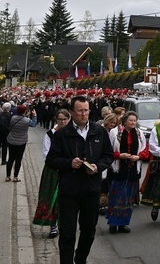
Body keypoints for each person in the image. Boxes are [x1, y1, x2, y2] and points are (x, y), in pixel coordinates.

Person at [46, 96, 114, 264]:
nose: (84, 114)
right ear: (72, 112)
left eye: (86, 110)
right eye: (80, 111)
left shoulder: (99, 131)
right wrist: (70, 163)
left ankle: (81, 259)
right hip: (69, 190)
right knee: (67, 233)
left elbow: (108, 156)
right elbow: (51, 160)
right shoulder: (62, 134)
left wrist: (98, 167)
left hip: (91, 190)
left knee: (88, 231)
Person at [106, 111, 149, 233]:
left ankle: (124, 223)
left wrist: (138, 156)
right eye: (130, 120)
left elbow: (145, 149)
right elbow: (108, 151)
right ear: (124, 121)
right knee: (117, 196)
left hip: (133, 169)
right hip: (118, 169)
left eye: (135, 120)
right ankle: (113, 223)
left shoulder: (139, 133)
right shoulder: (115, 133)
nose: (133, 123)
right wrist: (120, 155)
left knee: (129, 197)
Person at [32, 108, 71, 238]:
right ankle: (53, 224)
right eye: (60, 119)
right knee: (52, 198)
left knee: (68, 198)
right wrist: (57, 163)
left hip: (69, 169)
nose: (63, 122)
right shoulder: (50, 135)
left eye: (65, 119)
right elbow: (46, 153)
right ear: (56, 120)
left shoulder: (72, 134)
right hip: (53, 170)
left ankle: (65, 224)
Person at [5, 104, 38, 182]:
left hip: (11, 140)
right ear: (25, 111)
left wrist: (26, 115)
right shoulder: (26, 120)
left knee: (11, 158)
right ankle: (15, 176)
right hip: (21, 141)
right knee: (18, 159)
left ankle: (7, 176)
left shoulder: (13, 118)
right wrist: (34, 116)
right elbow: (33, 124)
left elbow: (20, 118)